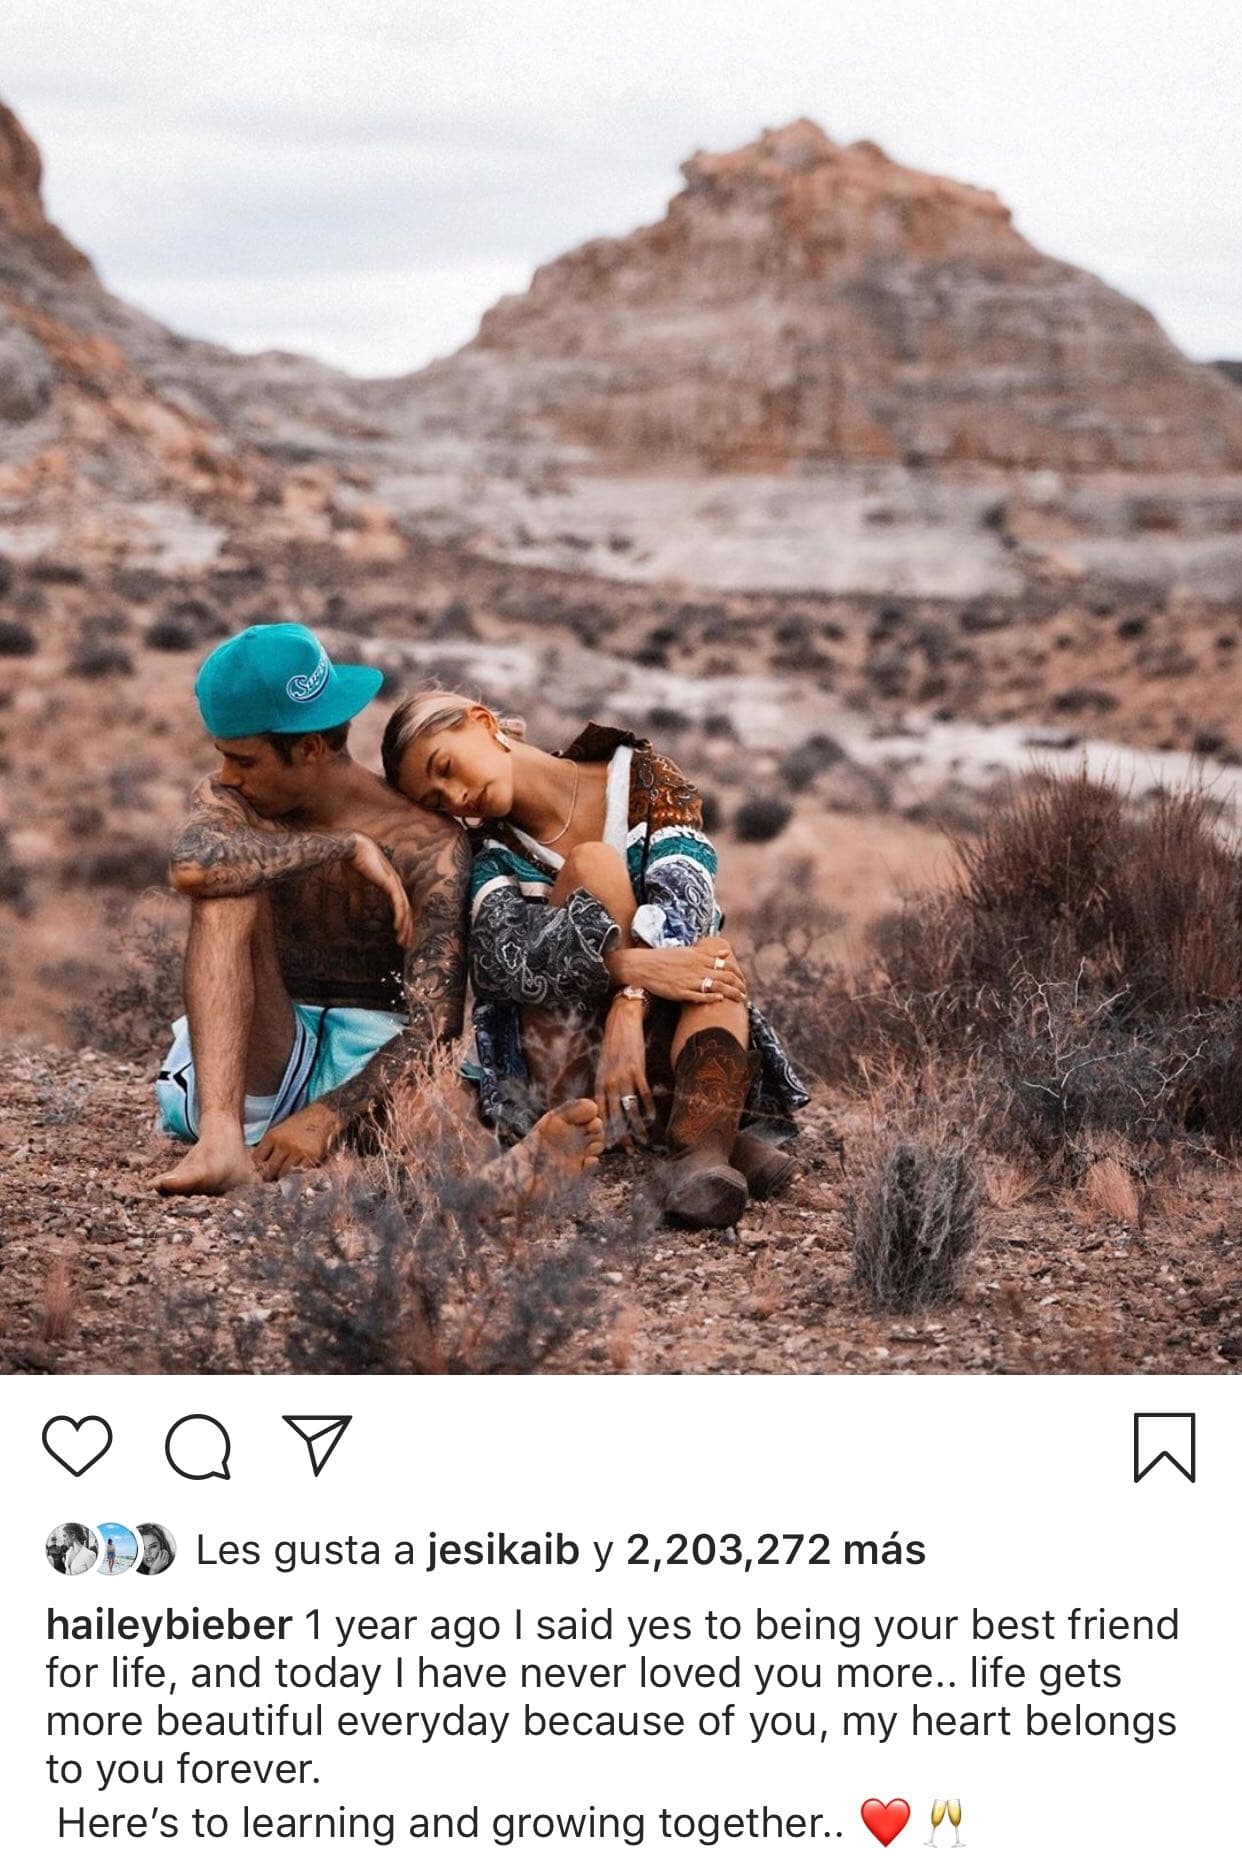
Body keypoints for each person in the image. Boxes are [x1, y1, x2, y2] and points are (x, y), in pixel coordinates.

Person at [154, 623, 603, 1200]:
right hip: (255, 1052)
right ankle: (218, 1143)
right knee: (226, 883)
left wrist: (328, 1115)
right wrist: (342, 846)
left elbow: (435, 1025)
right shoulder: (234, 802)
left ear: (310, 748)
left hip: (368, 1067)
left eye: (244, 760)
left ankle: (498, 1188)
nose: (227, 775)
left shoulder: (428, 842)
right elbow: (193, 866)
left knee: (440, 1098)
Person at [382, 693, 808, 1229]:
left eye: (444, 768)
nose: (456, 796)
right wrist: (627, 971)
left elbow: (689, 893)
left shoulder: (642, 777)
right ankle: (708, 1132)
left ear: (483, 722)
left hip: (647, 1047)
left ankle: (698, 1156)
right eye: (438, 799)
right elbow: (503, 959)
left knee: (708, 952)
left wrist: (631, 1003)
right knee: (595, 865)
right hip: (565, 1067)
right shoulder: (486, 848)